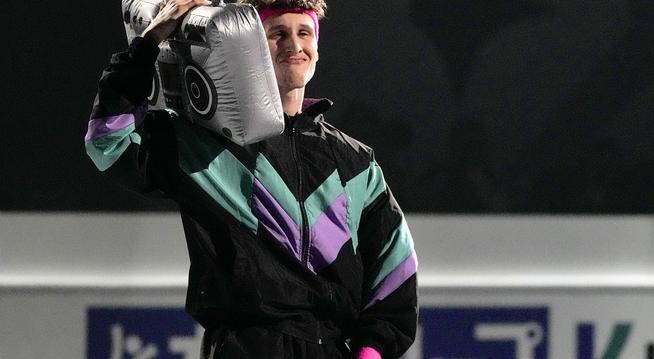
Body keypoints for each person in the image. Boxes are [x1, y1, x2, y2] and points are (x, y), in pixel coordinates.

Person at [84, 0, 417, 357]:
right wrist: (148, 44)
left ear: (317, 48)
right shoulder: (205, 143)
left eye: (304, 33)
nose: (293, 45)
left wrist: (371, 352)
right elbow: (108, 141)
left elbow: (395, 269)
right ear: (252, 49)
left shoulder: (355, 162)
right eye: (277, 34)